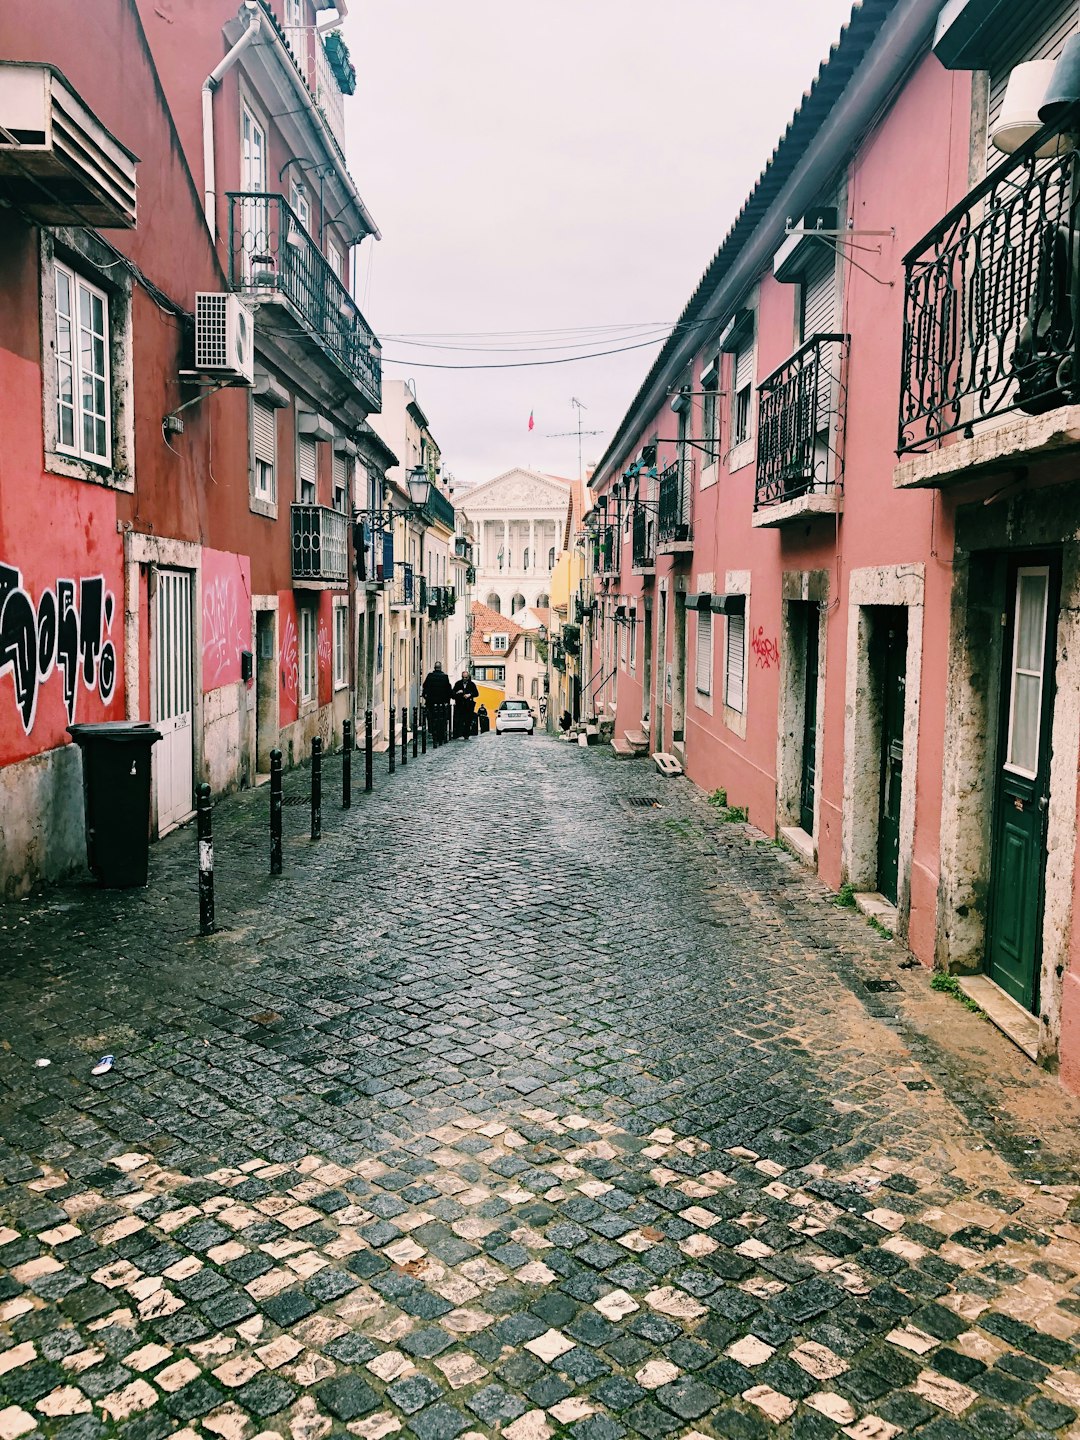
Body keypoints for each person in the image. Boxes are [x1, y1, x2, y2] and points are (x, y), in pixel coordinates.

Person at [422, 661, 452, 745]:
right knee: (442, 719)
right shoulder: (445, 677)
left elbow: (425, 686)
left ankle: (433, 731)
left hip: (431, 702)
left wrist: (426, 696)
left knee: (431, 718)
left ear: (434, 668)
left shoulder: (430, 676)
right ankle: (441, 734)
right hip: (442, 702)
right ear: (441, 668)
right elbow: (448, 689)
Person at [452, 668, 479, 739]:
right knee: (459, 720)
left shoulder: (472, 684)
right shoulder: (458, 684)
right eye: (463, 677)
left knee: (468, 720)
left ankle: (466, 734)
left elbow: (476, 693)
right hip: (459, 705)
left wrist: (470, 694)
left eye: (466, 677)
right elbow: (452, 694)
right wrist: (458, 693)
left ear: (468, 677)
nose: (464, 679)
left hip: (468, 705)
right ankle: (458, 734)